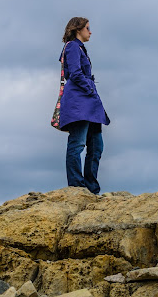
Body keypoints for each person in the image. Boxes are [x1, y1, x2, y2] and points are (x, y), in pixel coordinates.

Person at [58, 17, 110, 194]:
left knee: (96, 146)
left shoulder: (79, 48)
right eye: (87, 28)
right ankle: (76, 186)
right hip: (79, 102)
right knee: (77, 143)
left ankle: (91, 188)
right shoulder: (73, 46)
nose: (90, 31)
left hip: (89, 103)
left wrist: (91, 92)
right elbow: (75, 73)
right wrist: (90, 88)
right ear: (78, 29)